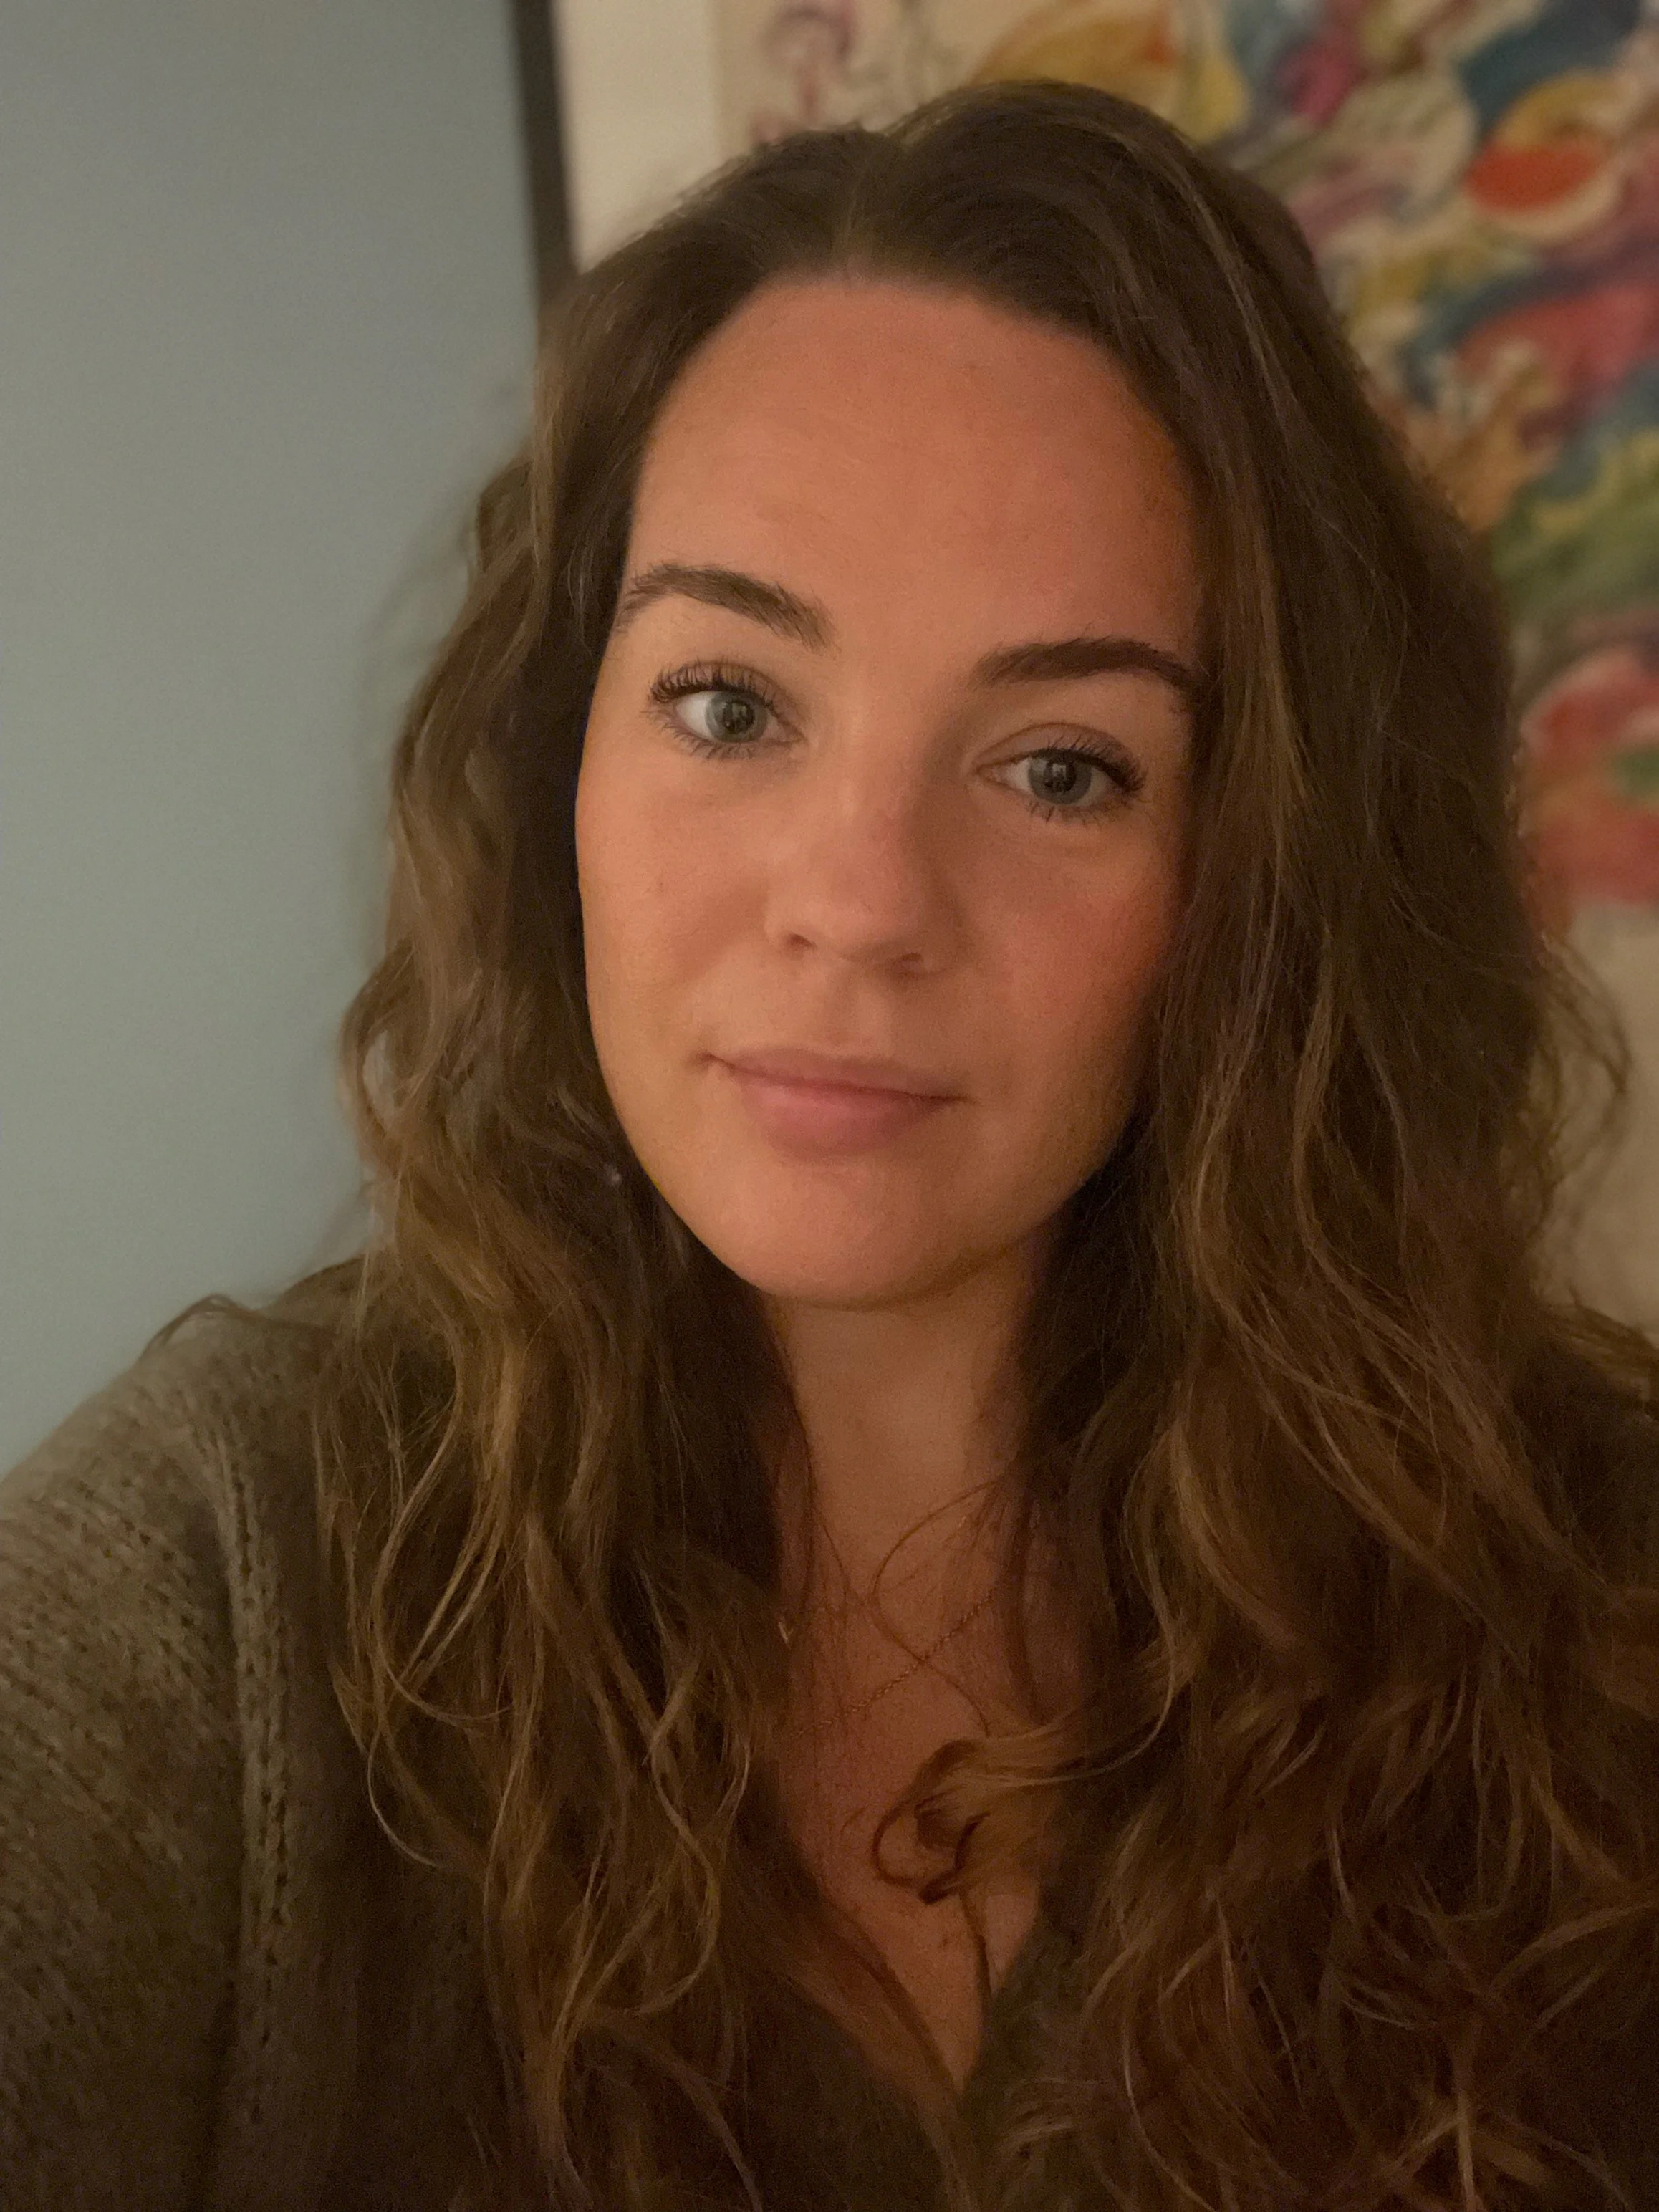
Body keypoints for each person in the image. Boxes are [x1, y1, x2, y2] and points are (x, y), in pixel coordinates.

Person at [4, 74, 1658, 2212]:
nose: (859, 897)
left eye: (1060, 768)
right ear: (557, 763)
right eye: (727, 705)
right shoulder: (222, 1592)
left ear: (1252, 884)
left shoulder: (1590, 1606)